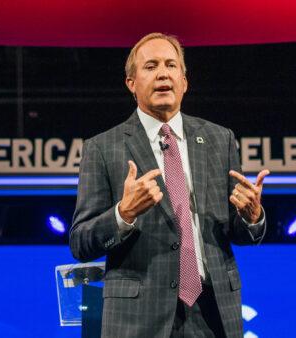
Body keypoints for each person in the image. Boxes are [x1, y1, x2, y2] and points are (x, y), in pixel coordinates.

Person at [69, 32, 269, 338]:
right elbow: (81, 243)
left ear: (184, 81)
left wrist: (251, 217)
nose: (163, 73)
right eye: (150, 66)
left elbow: (237, 233)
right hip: (138, 319)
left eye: (171, 65)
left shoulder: (219, 139)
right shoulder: (102, 148)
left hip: (213, 313)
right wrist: (123, 214)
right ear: (131, 83)